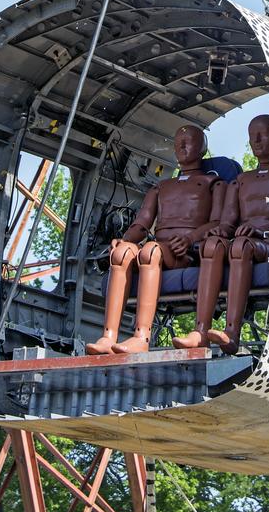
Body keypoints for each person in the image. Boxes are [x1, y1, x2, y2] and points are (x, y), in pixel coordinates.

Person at [86, 124, 224, 355]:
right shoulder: (162, 186)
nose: (181, 146)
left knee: (150, 251)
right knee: (122, 254)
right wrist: (125, 239)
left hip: (185, 253)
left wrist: (191, 238)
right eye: (178, 142)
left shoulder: (213, 184)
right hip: (158, 247)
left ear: (202, 147)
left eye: (188, 141)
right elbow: (143, 222)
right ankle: (108, 336)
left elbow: (218, 222)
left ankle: (142, 336)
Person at [173, 113, 269, 354]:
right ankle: (201, 331)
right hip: (244, 243)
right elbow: (227, 223)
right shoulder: (240, 181)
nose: (257, 141)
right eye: (253, 136)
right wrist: (209, 234)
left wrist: (258, 233)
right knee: (214, 245)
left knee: (240, 246)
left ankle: (232, 332)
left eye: (263, 135)